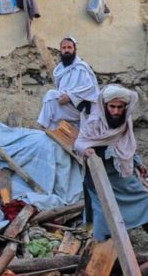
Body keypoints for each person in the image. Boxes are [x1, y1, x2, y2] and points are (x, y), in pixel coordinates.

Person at [74, 84, 148, 241]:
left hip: (120, 173)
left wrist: (137, 162)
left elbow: (126, 144)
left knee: (144, 200)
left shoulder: (124, 121)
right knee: (103, 209)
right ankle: (101, 247)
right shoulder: (94, 121)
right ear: (105, 105)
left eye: (120, 107)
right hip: (98, 174)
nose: (115, 112)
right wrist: (86, 150)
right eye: (112, 107)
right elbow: (79, 142)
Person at [37, 36, 99, 130]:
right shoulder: (60, 69)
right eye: (64, 48)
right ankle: (47, 132)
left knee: (51, 95)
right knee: (52, 108)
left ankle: (41, 127)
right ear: (60, 50)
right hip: (66, 105)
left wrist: (70, 97)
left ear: (75, 50)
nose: (66, 50)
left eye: (69, 47)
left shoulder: (81, 68)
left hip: (80, 109)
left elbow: (90, 89)